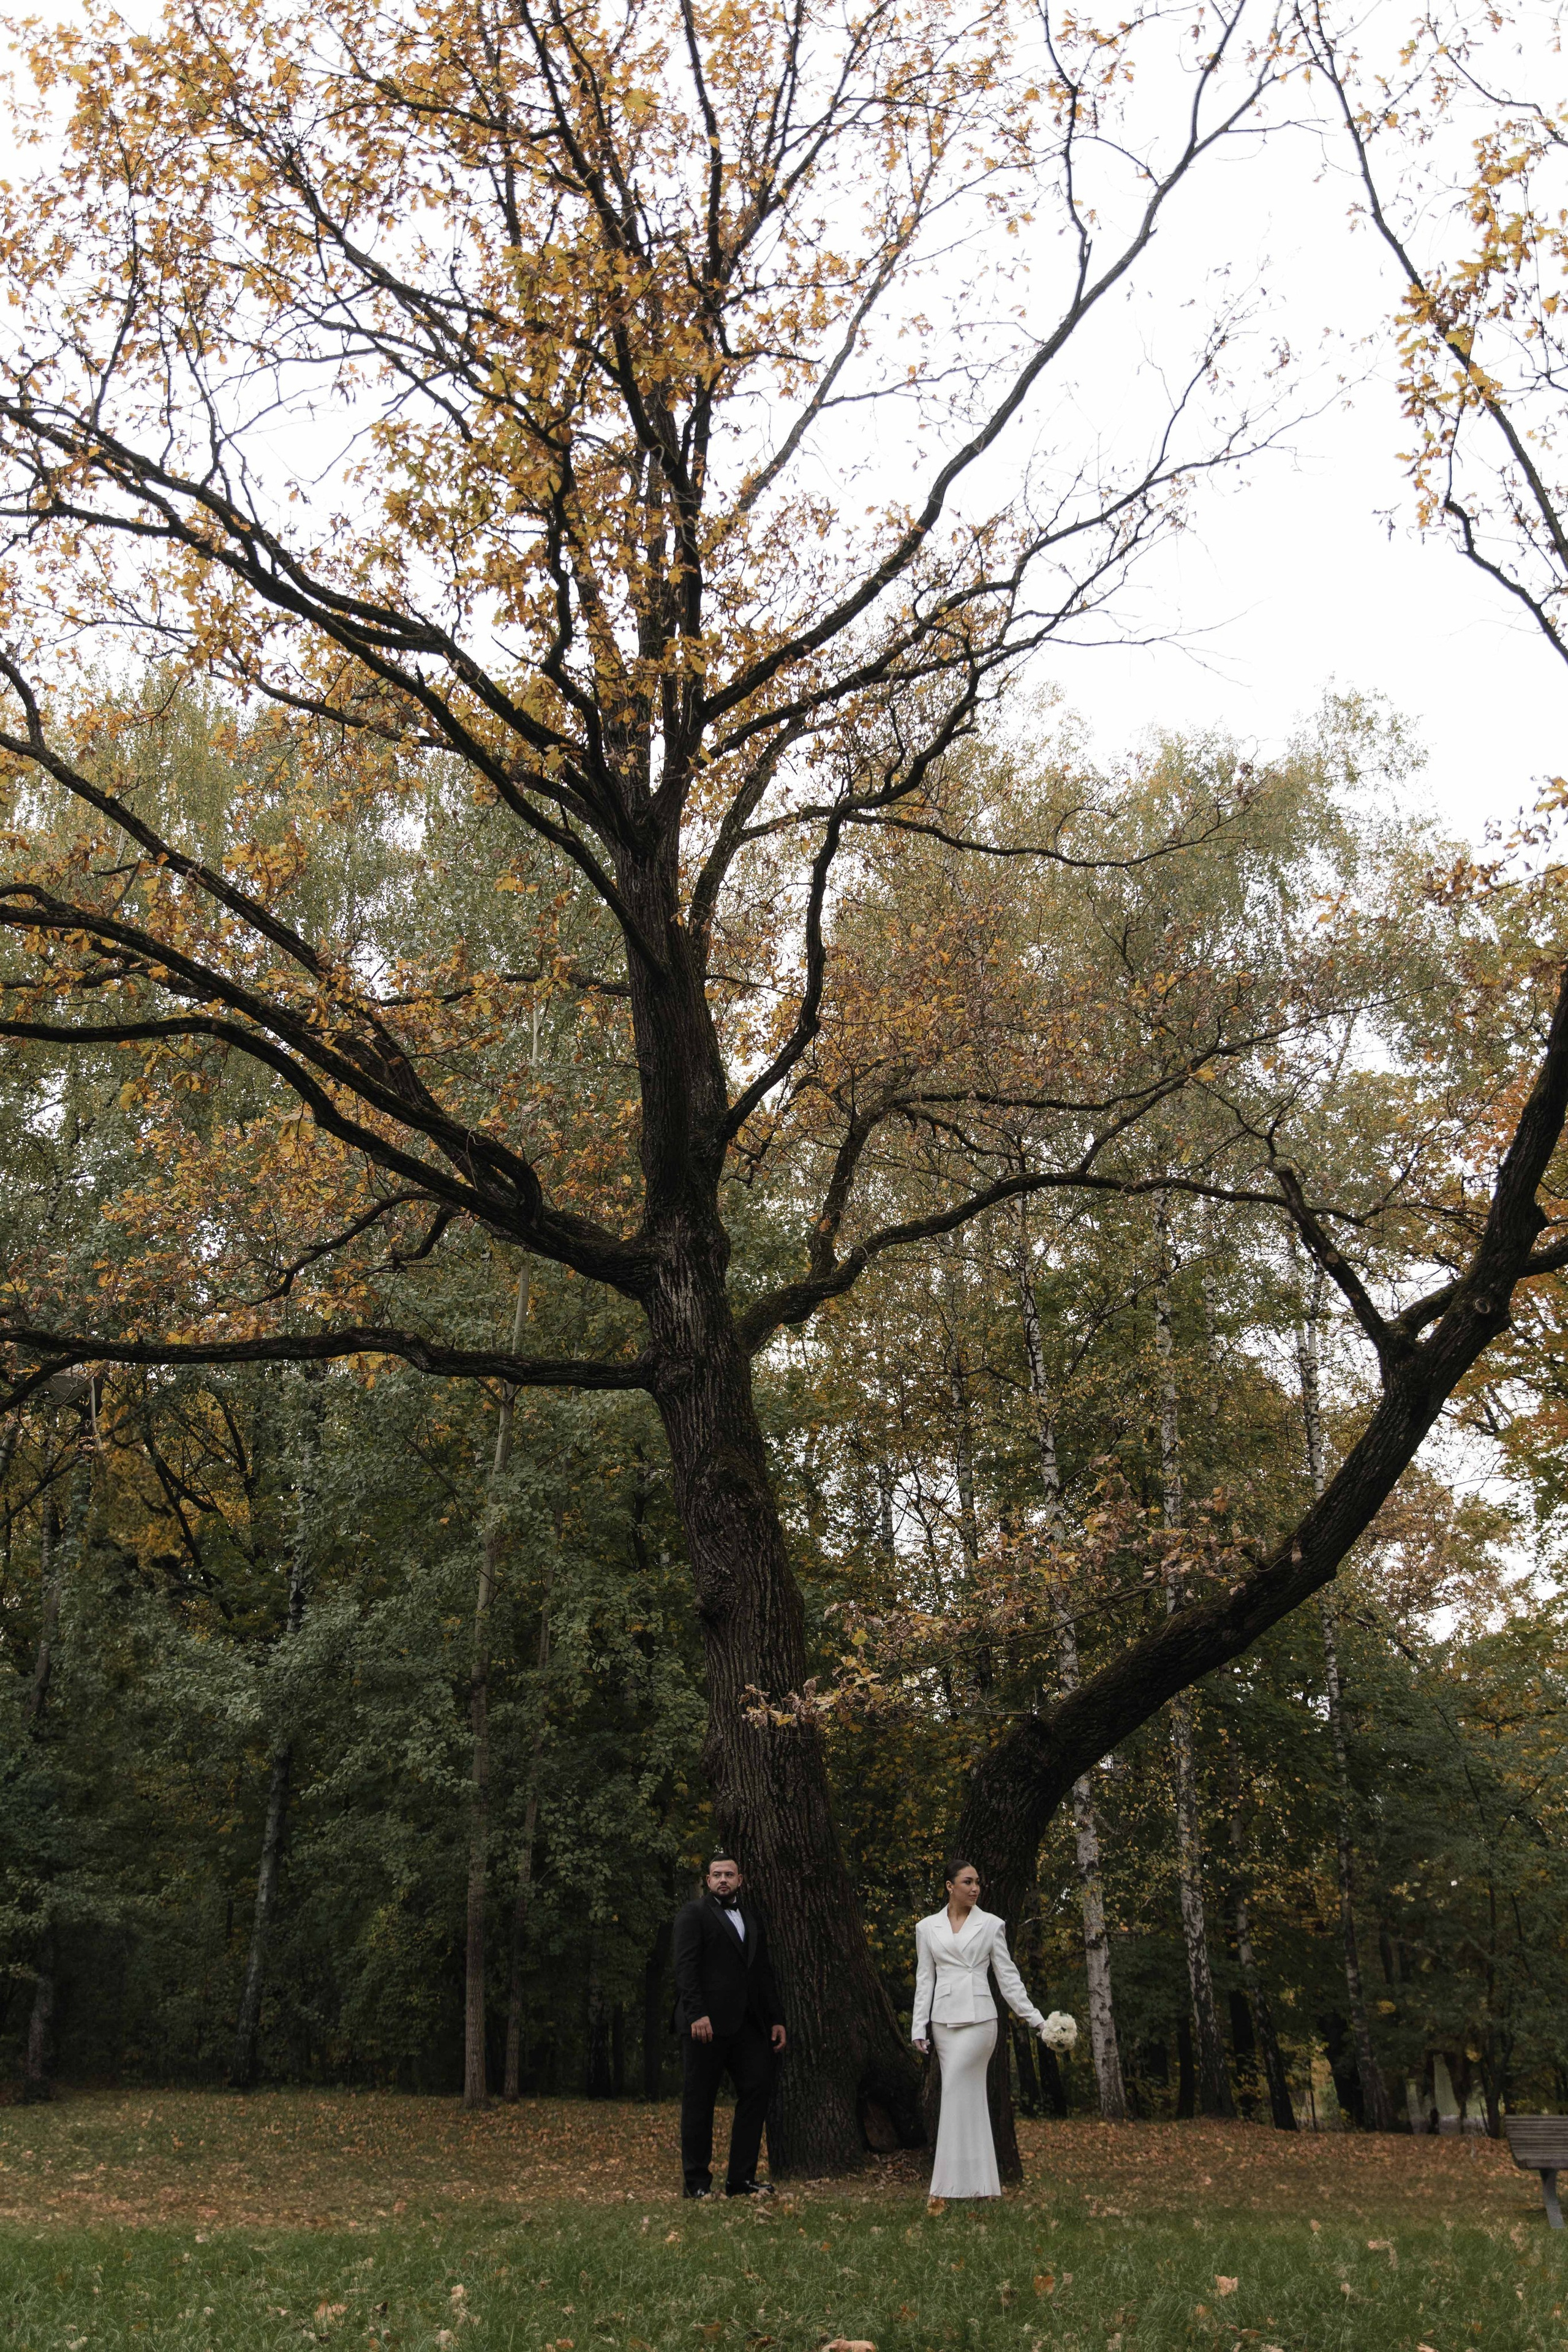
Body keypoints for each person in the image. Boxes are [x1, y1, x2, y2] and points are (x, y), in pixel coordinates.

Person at [911, 1857, 1057, 2199]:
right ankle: (980, 2187)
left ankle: (945, 2189)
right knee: (965, 2098)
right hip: (944, 2023)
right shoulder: (927, 1927)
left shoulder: (992, 1925)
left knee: (956, 2092)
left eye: (978, 1882)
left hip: (980, 2022)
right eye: (968, 1882)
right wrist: (919, 2026)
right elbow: (924, 1979)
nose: (975, 1888)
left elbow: (1009, 1979)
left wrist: (1037, 2019)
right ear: (950, 1887)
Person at [672, 1851, 787, 2199]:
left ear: (740, 1880)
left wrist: (777, 2018)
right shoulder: (692, 1914)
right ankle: (696, 2184)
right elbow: (685, 1968)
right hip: (704, 2026)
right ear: (707, 1881)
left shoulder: (751, 1918)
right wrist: (696, 2014)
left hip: (748, 2027)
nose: (723, 1879)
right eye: (716, 1874)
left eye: (729, 1874)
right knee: (699, 2103)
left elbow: (762, 1973)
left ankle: (741, 2180)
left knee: (757, 2090)